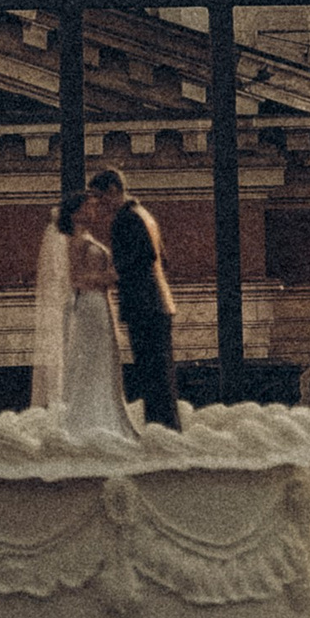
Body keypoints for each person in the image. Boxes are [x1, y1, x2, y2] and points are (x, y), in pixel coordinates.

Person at [28, 191, 136, 440]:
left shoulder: (84, 238)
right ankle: (91, 418)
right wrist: (111, 277)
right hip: (91, 303)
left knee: (102, 357)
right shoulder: (75, 241)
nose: (93, 211)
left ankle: (104, 412)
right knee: (93, 357)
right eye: (88, 207)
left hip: (99, 302)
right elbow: (75, 279)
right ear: (76, 213)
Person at [86, 164, 179, 429]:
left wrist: (105, 276)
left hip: (144, 304)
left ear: (113, 190)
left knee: (152, 375)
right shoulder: (144, 214)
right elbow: (162, 257)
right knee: (161, 375)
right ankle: (166, 428)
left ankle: (160, 430)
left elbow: (136, 260)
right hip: (158, 300)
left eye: (99, 196)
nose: (98, 204)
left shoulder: (124, 219)